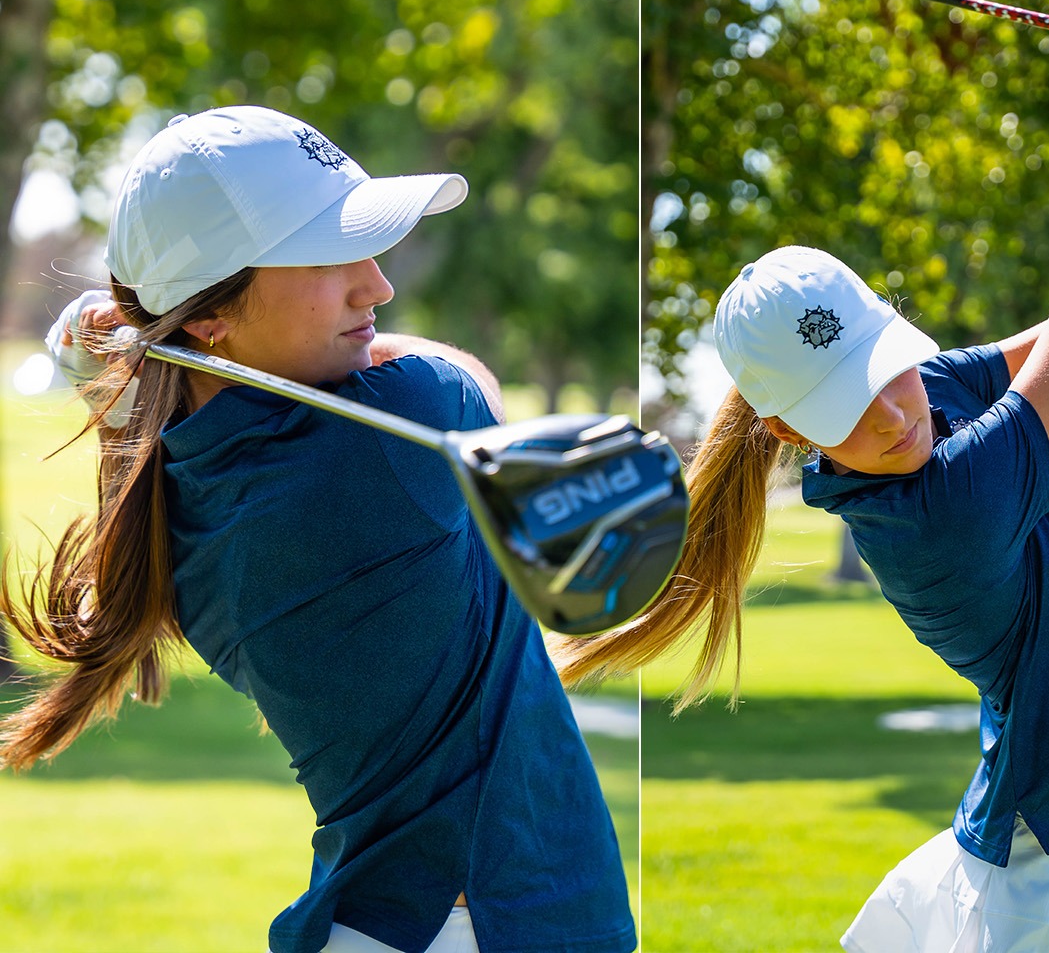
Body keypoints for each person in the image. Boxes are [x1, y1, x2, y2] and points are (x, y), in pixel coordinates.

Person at [550, 18, 1049, 949]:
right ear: (787, 431)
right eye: (846, 406)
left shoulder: (929, 395)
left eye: (881, 368)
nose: (892, 415)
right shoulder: (943, 510)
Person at [2, 107, 636, 953]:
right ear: (209, 319)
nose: (376, 285)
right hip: (490, 921)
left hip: (402, 921)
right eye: (326, 255)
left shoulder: (182, 491)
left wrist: (131, 340)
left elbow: (179, 381)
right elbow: (466, 381)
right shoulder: (393, 441)